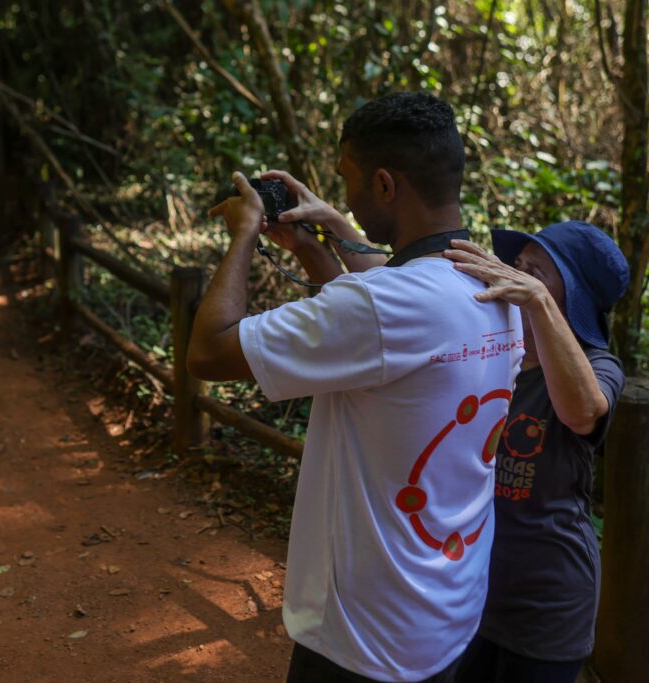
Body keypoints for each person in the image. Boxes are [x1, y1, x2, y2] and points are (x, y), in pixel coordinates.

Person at [188, 91, 524, 682]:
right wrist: (329, 239)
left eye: (349, 181)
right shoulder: (493, 282)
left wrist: (244, 233)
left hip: (366, 636)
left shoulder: (384, 305)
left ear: (386, 185)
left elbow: (208, 352)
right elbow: (388, 326)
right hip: (448, 609)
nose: (344, 195)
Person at [443, 222, 629, 683]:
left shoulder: (597, 366)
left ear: (571, 299)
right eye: (518, 264)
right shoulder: (495, 345)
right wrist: (329, 228)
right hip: (473, 593)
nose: (514, 276)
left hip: (549, 607)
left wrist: (539, 302)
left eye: (536, 272)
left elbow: (583, 412)